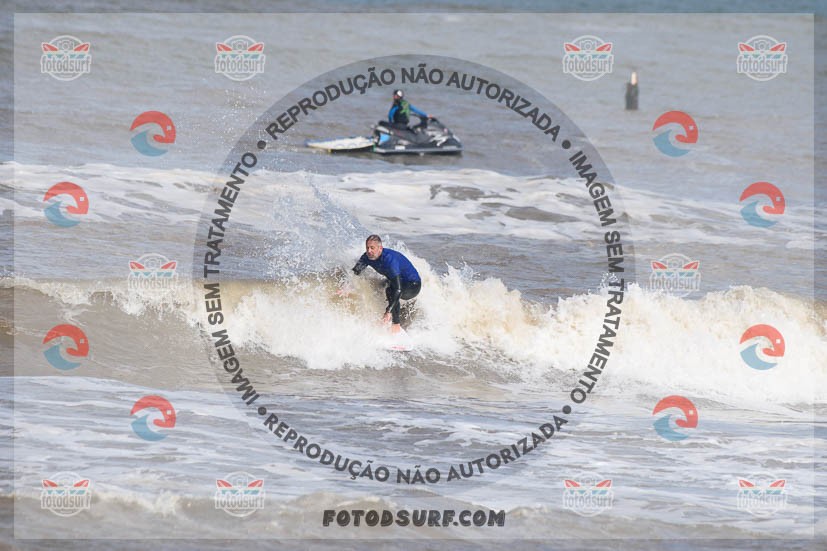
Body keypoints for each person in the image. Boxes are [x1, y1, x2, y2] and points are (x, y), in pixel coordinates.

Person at [352, 235, 421, 334]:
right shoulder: (366, 257)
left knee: (390, 290)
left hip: (413, 285)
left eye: (372, 248)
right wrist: (347, 286)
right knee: (380, 285)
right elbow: (356, 272)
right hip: (396, 281)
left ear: (380, 248)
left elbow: (398, 289)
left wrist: (388, 311)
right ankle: (389, 313)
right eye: (367, 248)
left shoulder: (389, 260)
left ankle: (396, 325)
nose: (369, 251)